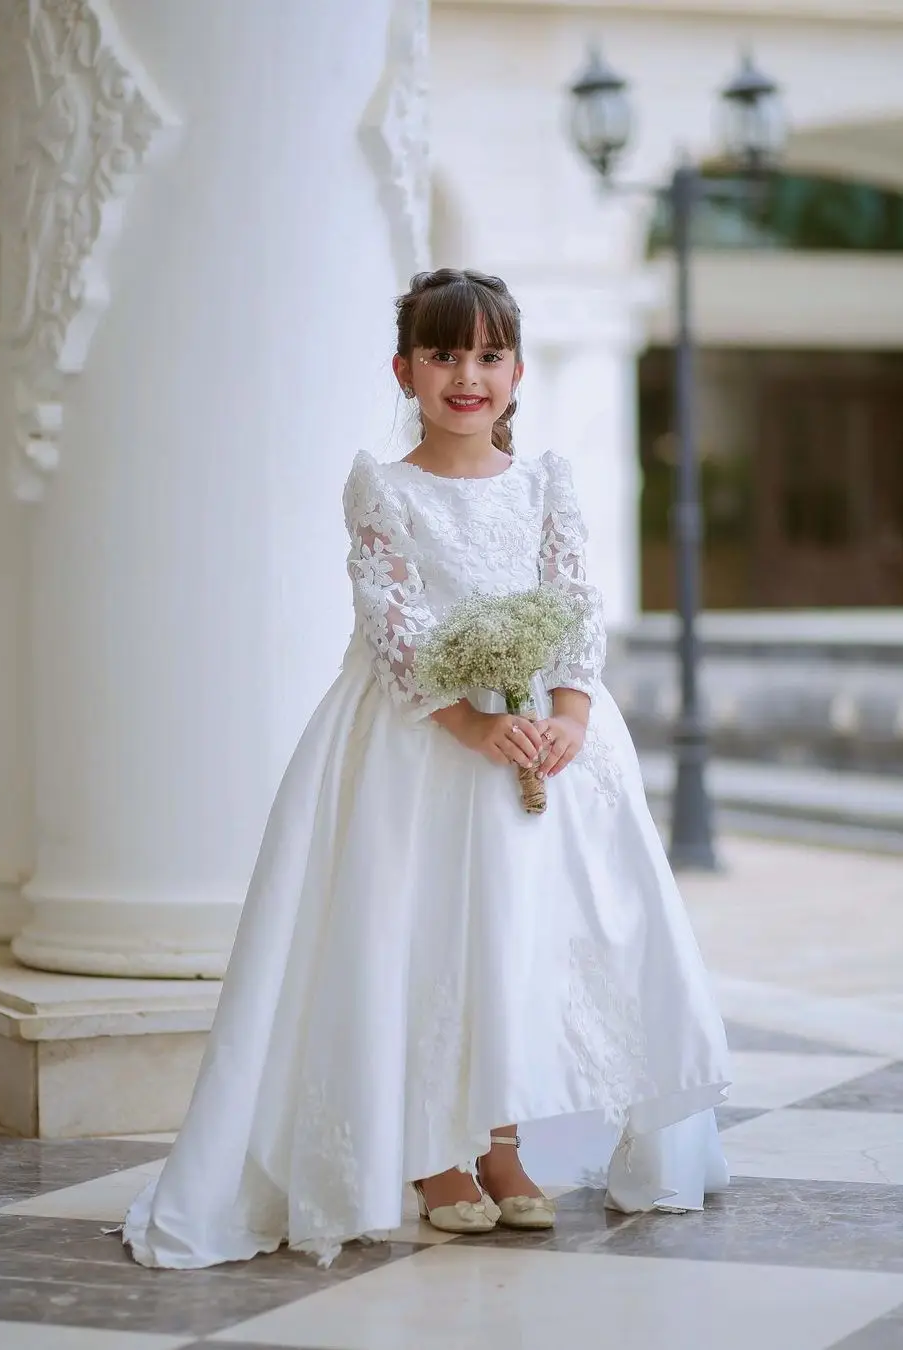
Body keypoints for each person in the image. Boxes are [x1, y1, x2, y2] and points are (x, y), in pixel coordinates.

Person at [122, 268, 731, 1271]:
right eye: (444, 354)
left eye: (489, 355)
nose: (467, 375)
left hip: (543, 733)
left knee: (515, 935)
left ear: (519, 372)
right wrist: (468, 723)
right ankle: (434, 1153)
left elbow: (573, 599)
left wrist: (568, 715)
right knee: (424, 929)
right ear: (404, 369)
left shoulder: (546, 483)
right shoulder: (383, 484)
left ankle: (502, 1143)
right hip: (421, 738)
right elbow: (393, 617)